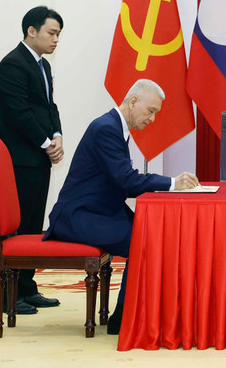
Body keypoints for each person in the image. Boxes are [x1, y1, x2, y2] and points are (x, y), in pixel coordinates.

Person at [44, 79, 198, 334]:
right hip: (77, 216)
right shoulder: (106, 128)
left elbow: (123, 182)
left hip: (100, 210)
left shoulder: (113, 127)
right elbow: (126, 179)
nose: (152, 119)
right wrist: (172, 183)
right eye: (151, 111)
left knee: (152, 233)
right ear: (133, 101)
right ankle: (125, 319)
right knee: (143, 241)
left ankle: (142, 312)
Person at [0, 6, 65, 314]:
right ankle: (11, 294)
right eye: (52, 33)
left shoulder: (42, 65)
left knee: (33, 225)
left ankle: (27, 286)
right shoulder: (13, 64)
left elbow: (49, 106)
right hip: (20, 159)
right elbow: (18, 113)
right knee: (17, 227)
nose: (56, 40)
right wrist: (46, 142)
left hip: (38, 158)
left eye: (59, 35)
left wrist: (58, 134)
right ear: (31, 31)